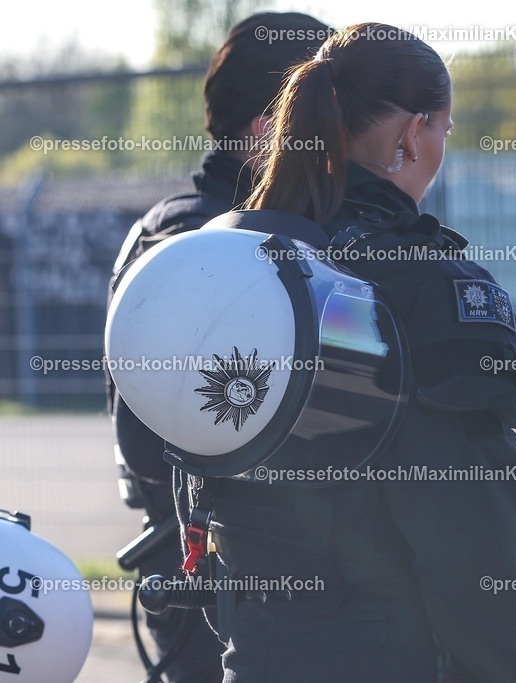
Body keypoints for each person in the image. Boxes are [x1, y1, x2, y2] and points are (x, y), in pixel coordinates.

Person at [161, 22, 516, 682]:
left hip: (254, 652)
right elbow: (470, 533)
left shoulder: (232, 265)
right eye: (444, 131)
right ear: (410, 135)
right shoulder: (429, 287)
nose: (441, 149)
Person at [107, 12, 329, 682]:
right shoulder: (213, 246)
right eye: (324, 113)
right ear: (269, 131)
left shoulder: (178, 230)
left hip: (205, 570)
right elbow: (156, 442)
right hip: (217, 574)